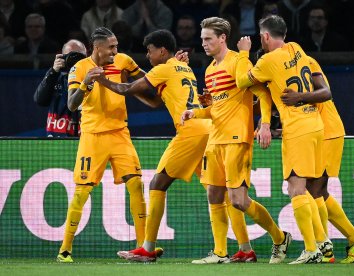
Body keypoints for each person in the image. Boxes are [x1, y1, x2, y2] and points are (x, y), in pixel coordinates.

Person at [95, 29, 260, 263]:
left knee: (158, 182)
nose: (148, 57)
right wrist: (128, 84)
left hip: (191, 130)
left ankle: (147, 248)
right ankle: (245, 248)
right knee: (219, 191)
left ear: (162, 51)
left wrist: (99, 78)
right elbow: (153, 101)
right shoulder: (184, 68)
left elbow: (125, 89)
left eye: (150, 51)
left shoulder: (164, 68)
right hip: (208, 128)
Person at [182, 16, 292, 265]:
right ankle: (220, 252)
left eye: (208, 39)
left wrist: (265, 124)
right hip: (215, 139)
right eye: (202, 39)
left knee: (239, 201)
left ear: (223, 38)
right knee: (213, 194)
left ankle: (280, 237)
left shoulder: (237, 62)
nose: (204, 44)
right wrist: (196, 112)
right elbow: (216, 108)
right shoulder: (210, 70)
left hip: (236, 139)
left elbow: (262, 93)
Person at [235, 15, 332, 264]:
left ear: (266, 36)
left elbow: (242, 81)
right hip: (316, 125)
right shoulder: (296, 49)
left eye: (260, 36)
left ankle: (311, 250)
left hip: (297, 127)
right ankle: (322, 243)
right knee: (309, 190)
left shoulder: (266, 61)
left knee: (295, 189)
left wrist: (244, 53)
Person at [56, 27, 148, 263]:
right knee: (81, 192)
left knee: (136, 184)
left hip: (120, 134)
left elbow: (148, 79)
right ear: (97, 48)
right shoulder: (80, 68)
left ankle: (142, 248)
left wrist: (169, 68)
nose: (116, 51)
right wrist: (86, 83)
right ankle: (65, 250)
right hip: (93, 137)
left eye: (116, 46)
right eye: (111, 47)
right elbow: (72, 105)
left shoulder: (123, 61)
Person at [281, 56, 354, 263]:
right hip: (317, 130)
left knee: (314, 190)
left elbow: (324, 94)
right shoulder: (291, 65)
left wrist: (300, 98)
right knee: (317, 190)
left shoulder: (303, 62)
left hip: (327, 131)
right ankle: (351, 240)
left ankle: (328, 247)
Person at [33, 39, 86, 137]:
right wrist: (53, 71)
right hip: (55, 138)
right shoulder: (54, 77)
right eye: (70, 56)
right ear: (62, 57)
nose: (74, 61)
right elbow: (40, 100)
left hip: (82, 138)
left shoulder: (91, 80)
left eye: (79, 56)